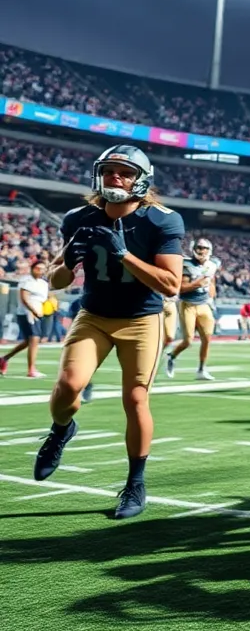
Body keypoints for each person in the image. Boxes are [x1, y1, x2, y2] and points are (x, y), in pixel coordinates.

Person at [34, 145, 184, 519]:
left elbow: (170, 284)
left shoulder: (161, 221)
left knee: (135, 399)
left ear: (141, 180)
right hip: (95, 315)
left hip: (140, 319)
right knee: (68, 385)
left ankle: (136, 482)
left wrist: (124, 256)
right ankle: (61, 430)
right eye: (109, 170)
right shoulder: (79, 217)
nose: (114, 177)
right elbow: (55, 279)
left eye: (124, 171)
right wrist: (70, 259)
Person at [164, 238, 219, 381]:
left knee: (207, 338)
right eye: (198, 247)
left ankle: (201, 369)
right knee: (188, 340)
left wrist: (212, 298)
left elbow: (212, 283)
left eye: (204, 248)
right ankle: (172, 356)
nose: (201, 250)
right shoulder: (186, 264)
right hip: (188, 304)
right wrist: (197, 284)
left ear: (209, 250)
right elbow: (181, 288)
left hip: (204, 304)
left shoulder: (213, 265)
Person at [0, 260, 50, 378]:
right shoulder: (26, 281)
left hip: (38, 313)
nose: (40, 270)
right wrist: (33, 310)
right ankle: (31, 369)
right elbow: (24, 298)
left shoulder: (43, 283)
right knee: (34, 338)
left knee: (29, 341)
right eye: (38, 268)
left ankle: (4, 359)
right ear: (32, 268)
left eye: (43, 268)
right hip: (27, 313)